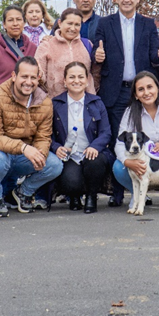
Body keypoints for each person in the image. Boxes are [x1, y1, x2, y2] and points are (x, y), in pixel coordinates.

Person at [92, 0, 159, 206]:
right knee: (119, 140)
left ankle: (140, 190)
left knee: (140, 139)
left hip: (140, 92)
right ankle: (117, 192)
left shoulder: (148, 24)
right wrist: (97, 55)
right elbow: (97, 50)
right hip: (114, 91)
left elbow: (154, 57)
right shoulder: (105, 23)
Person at [0, 56, 62, 216]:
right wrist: (24, 148)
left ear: (38, 79)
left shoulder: (44, 102)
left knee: (54, 164)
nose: (28, 82)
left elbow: (43, 137)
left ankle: (22, 192)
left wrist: (40, 154)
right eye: (24, 76)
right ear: (14, 76)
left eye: (33, 77)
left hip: (23, 157)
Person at [111, 72, 159, 209]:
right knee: (118, 167)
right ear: (135, 94)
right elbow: (119, 143)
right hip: (142, 159)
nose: (146, 93)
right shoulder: (130, 112)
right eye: (141, 89)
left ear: (158, 89)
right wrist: (127, 161)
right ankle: (139, 194)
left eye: (150, 87)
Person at [50, 61, 112, 213]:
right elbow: (47, 134)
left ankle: (91, 196)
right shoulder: (55, 104)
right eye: (71, 77)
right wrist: (56, 148)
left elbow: (106, 132)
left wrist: (94, 146)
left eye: (80, 77)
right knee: (71, 182)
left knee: (95, 162)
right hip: (69, 155)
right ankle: (74, 195)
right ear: (64, 81)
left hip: (91, 153)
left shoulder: (96, 103)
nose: (76, 81)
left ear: (87, 80)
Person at [35, 8, 95, 99]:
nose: (72, 28)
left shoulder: (87, 45)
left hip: (84, 103)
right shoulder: (46, 45)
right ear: (60, 23)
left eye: (77, 25)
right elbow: (39, 77)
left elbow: (95, 74)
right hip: (55, 103)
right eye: (69, 23)